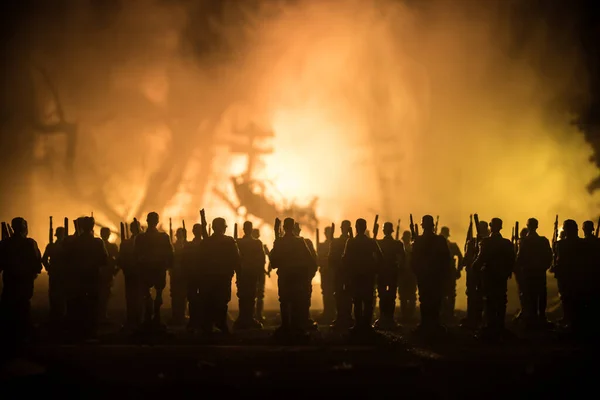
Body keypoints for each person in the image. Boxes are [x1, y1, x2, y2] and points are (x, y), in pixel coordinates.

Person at [269, 218, 317, 337]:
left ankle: (286, 326)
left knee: (284, 301)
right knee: (296, 301)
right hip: (298, 276)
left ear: (284, 227)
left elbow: (273, 261)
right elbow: (310, 259)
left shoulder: (280, 242)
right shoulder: (300, 242)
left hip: (285, 276)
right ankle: (297, 328)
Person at [64, 217, 108, 339]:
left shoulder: (74, 242)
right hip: (92, 277)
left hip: (78, 278)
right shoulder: (98, 242)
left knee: (79, 304)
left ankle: (79, 330)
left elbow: (68, 259)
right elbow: (104, 260)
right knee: (93, 304)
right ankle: (91, 330)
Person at [0, 217, 42, 341]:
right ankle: (23, 332)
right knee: (23, 306)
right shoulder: (29, 243)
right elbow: (37, 262)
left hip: (11, 280)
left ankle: (10, 332)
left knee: (10, 305)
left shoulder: (5, 243)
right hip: (24, 281)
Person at [473, 218, 515, 339]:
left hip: (489, 275)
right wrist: (507, 272)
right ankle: (500, 325)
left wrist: (474, 267)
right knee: (501, 300)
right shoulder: (507, 243)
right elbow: (512, 260)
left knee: (489, 300)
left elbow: (481, 258)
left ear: (490, 226)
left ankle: (490, 326)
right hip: (501, 276)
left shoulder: (486, 242)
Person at [197, 218, 241, 335]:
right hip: (223, 276)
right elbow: (236, 259)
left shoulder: (206, 242)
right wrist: (239, 274)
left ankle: (208, 325)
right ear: (223, 227)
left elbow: (200, 260)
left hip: (208, 277)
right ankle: (221, 324)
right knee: (222, 301)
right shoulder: (229, 241)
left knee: (209, 301)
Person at [342, 218, 384, 333]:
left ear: (356, 227)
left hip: (355, 275)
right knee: (368, 301)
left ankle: (359, 324)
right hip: (368, 275)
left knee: (357, 301)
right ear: (365, 228)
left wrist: (347, 275)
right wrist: (374, 269)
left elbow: (345, 260)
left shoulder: (351, 242)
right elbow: (380, 258)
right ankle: (366, 325)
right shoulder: (371, 242)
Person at [133, 212, 173, 329]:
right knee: (158, 293)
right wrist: (168, 266)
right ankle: (156, 317)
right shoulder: (163, 237)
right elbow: (170, 254)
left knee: (146, 294)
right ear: (157, 222)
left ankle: (149, 317)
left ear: (147, 221)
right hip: (158, 269)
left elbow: (135, 255)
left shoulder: (140, 238)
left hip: (145, 269)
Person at [411, 215, 450, 333]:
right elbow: (446, 259)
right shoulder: (440, 240)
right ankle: (433, 323)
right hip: (435, 275)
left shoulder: (419, 240)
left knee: (425, 298)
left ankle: (426, 323)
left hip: (425, 275)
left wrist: (417, 272)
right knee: (435, 299)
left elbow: (413, 259)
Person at [515, 219, 552, 328]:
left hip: (528, 273)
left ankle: (532, 318)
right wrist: (543, 267)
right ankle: (541, 317)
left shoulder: (524, 241)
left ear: (528, 226)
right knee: (541, 295)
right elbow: (549, 257)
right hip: (539, 272)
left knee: (530, 295)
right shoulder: (544, 240)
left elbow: (519, 258)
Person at [553, 219, 586, 332]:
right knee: (575, 299)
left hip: (567, 276)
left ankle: (570, 321)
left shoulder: (561, 244)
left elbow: (559, 260)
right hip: (578, 275)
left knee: (567, 298)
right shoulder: (582, 243)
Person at [234, 221, 265, 330]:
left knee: (244, 296)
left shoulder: (239, 242)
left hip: (244, 272)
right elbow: (261, 259)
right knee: (249, 296)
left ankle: (245, 317)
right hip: (250, 273)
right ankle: (247, 318)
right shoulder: (256, 243)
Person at [459, 220, 489, 329]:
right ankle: (472, 317)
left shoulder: (488, 242)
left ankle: (480, 318)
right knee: (472, 295)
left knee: (482, 295)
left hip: (484, 273)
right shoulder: (472, 242)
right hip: (473, 273)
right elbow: (467, 258)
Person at [374, 222, 405, 330]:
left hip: (384, 272)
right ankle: (387, 318)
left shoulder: (378, 243)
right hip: (390, 272)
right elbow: (403, 259)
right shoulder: (397, 244)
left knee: (384, 296)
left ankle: (385, 318)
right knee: (390, 296)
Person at [117, 219, 142, 330]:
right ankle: (135, 319)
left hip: (135, 274)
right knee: (135, 297)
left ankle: (135, 319)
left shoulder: (126, 243)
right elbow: (121, 259)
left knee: (134, 297)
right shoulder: (127, 243)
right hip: (134, 274)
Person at [328, 220, 353, 330]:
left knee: (343, 294)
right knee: (341, 294)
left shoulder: (338, 242)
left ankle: (345, 316)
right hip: (343, 271)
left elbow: (331, 257)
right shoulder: (348, 241)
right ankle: (343, 316)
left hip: (344, 272)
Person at [293, 222, 319, 330]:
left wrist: (310, 275)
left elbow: (313, 260)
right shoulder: (303, 242)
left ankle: (303, 318)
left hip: (302, 276)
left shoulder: (306, 242)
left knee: (304, 298)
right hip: (295, 276)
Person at [42, 226, 67, 326]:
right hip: (60, 274)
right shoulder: (66, 247)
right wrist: (49, 268)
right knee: (58, 295)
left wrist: (49, 268)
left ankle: (56, 316)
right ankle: (58, 316)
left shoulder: (52, 246)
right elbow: (44, 259)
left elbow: (44, 260)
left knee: (56, 295)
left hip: (57, 274)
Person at [439, 227, 463, 322]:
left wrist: (458, 270)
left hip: (447, 272)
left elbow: (460, 257)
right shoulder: (451, 245)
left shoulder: (452, 245)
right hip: (443, 272)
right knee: (445, 293)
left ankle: (448, 313)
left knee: (449, 293)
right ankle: (446, 313)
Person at [183, 223, 203, 331]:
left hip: (194, 275)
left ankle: (194, 320)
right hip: (200, 275)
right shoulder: (206, 245)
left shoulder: (189, 245)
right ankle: (196, 320)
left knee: (193, 299)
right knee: (197, 298)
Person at [99, 227, 119, 323]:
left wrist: (114, 271)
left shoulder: (98, 245)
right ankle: (102, 314)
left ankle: (102, 314)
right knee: (104, 294)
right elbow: (118, 260)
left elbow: (118, 260)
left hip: (103, 273)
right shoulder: (110, 246)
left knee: (104, 294)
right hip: (103, 273)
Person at [169, 227, 188, 325]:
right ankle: (176, 315)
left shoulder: (187, 246)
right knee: (175, 295)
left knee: (183, 295)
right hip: (176, 274)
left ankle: (181, 314)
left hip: (183, 274)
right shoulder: (173, 246)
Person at [398, 230, 417, 322]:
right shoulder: (400, 247)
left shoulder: (413, 247)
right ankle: (405, 314)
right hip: (403, 274)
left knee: (411, 295)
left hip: (411, 274)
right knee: (403, 296)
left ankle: (410, 314)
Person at [317, 226, 335, 324]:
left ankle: (331, 312)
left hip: (332, 271)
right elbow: (318, 259)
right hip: (325, 271)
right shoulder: (322, 245)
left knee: (332, 292)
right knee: (326, 292)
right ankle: (327, 312)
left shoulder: (335, 244)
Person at [251, 228, 269, 323]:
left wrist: (269, 269)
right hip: (255, 272)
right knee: (254, 294)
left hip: (258, 272)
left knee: (259, 294)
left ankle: (257, 314)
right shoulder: (259, 245)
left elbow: (270, 256)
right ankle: (255, 315)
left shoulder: (262, 245)